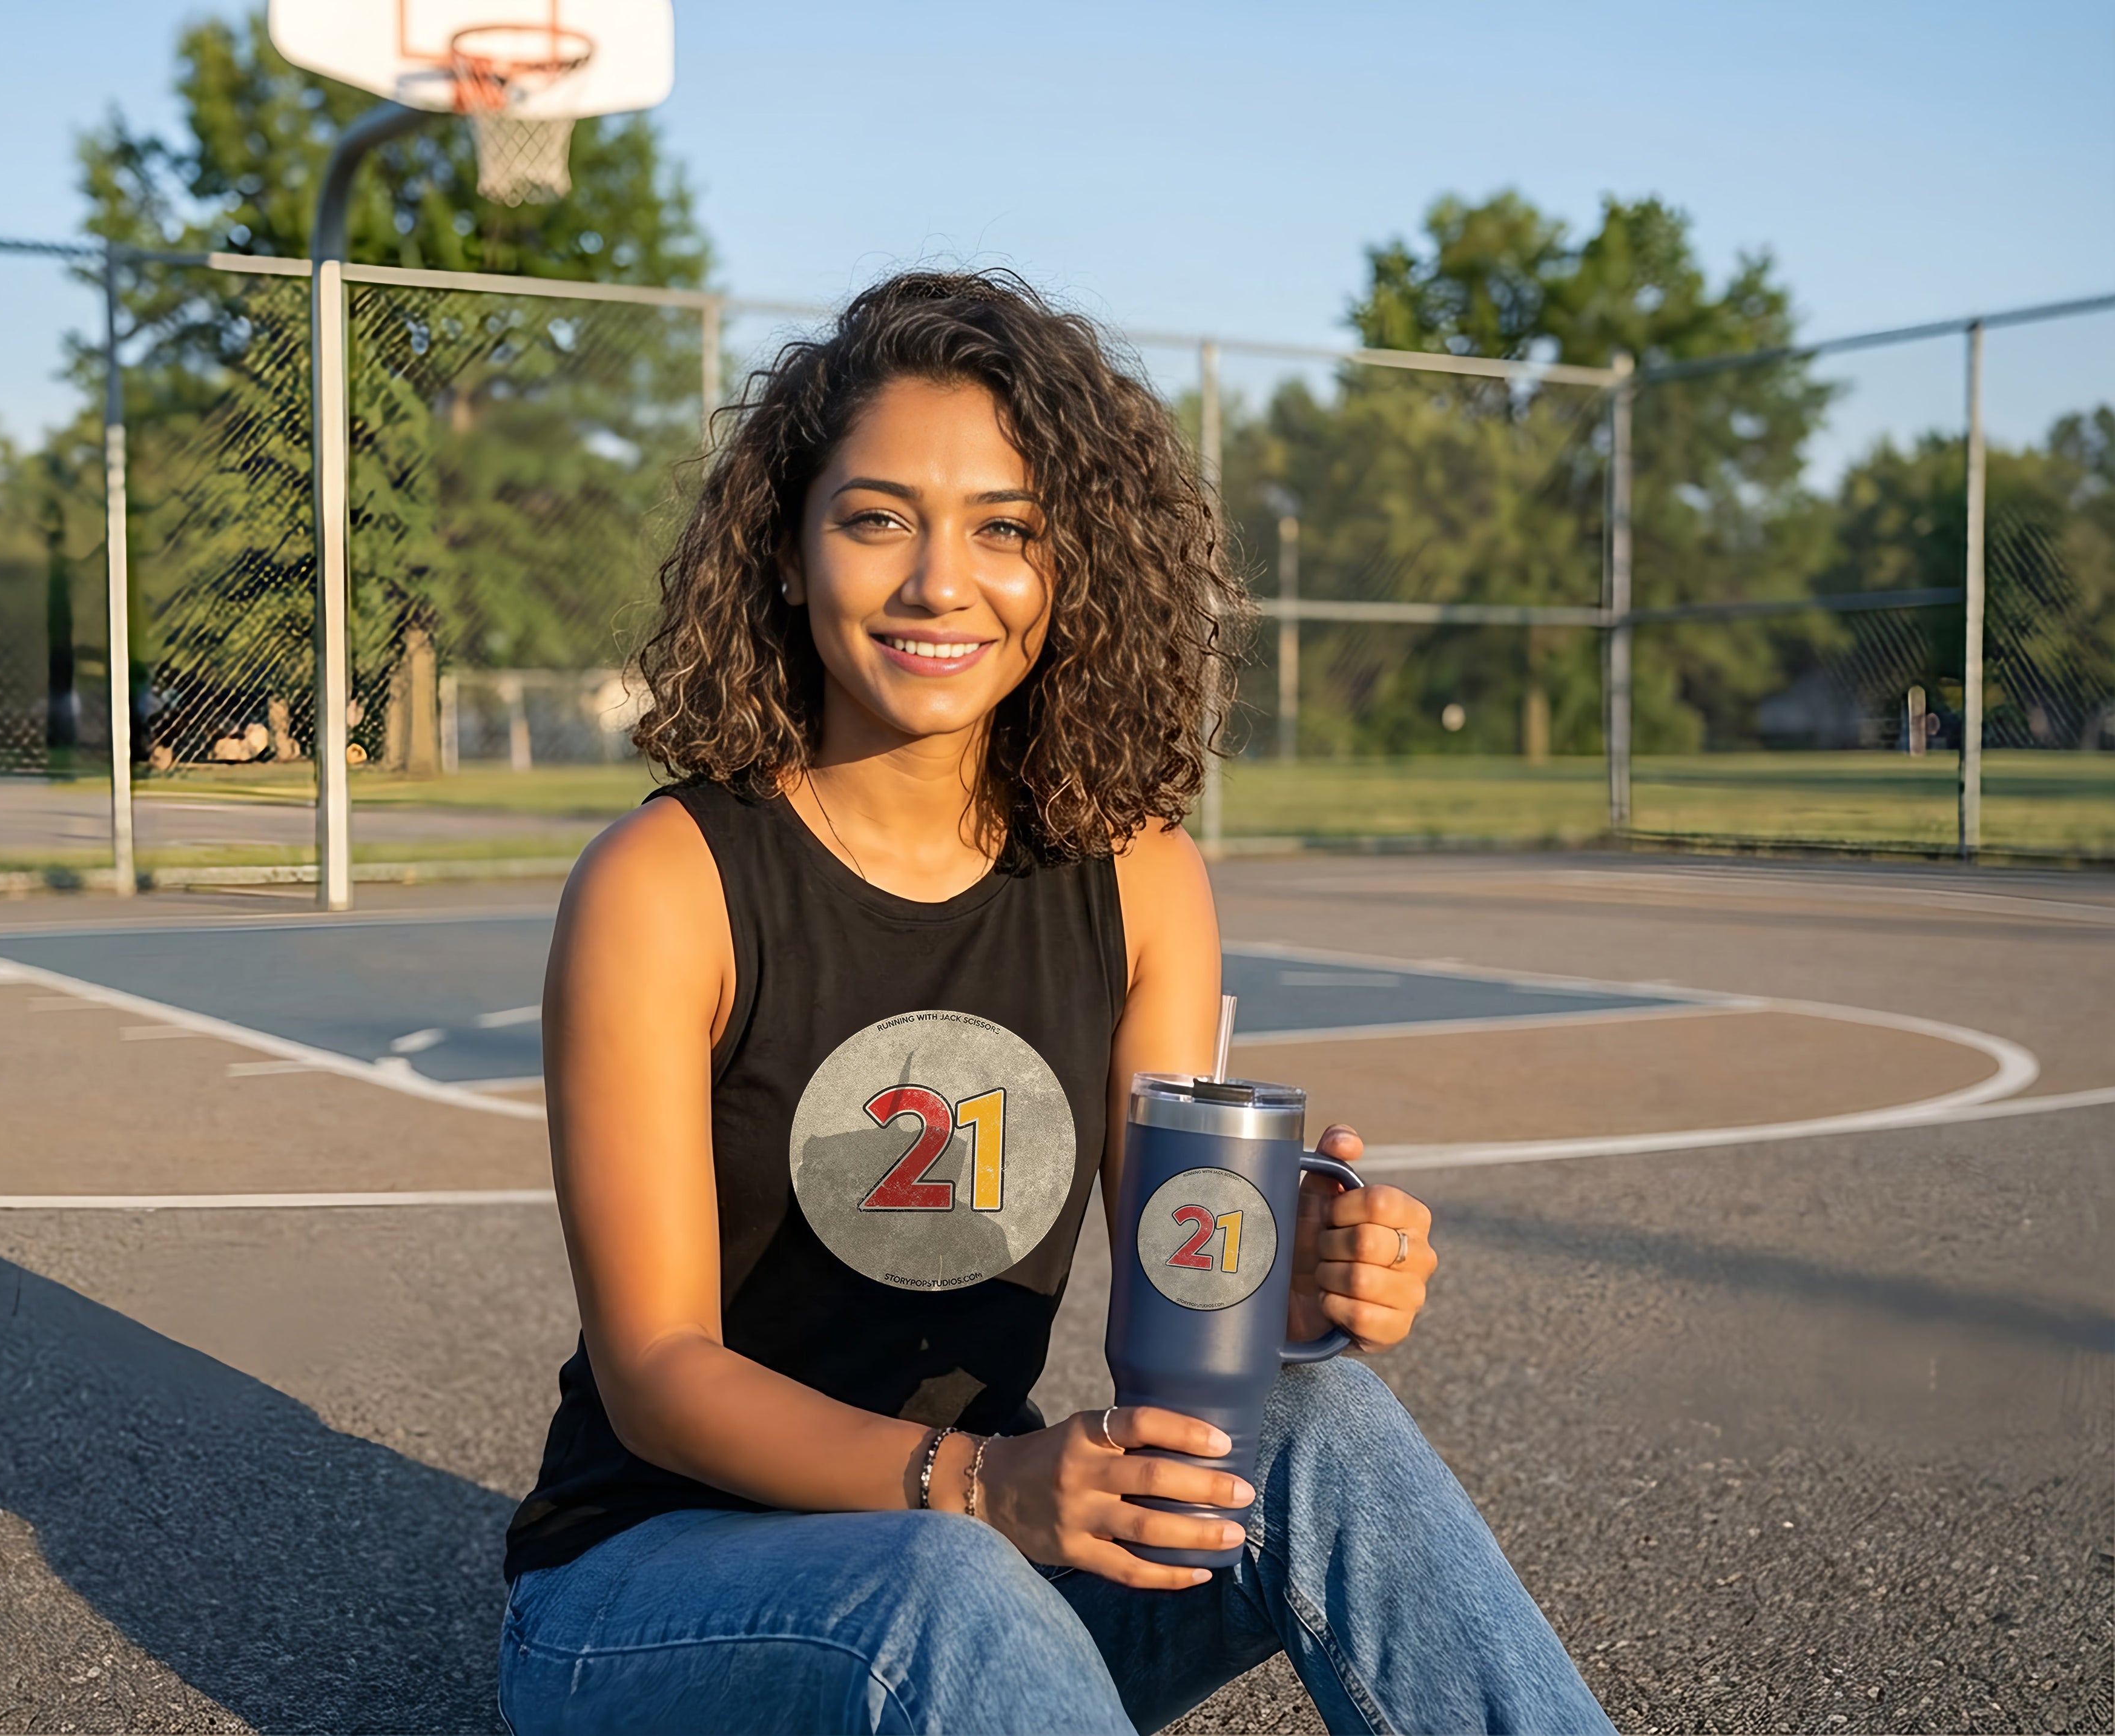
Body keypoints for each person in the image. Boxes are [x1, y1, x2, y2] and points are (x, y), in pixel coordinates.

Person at [498, 270, 1609, 1736]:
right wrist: (980, 1487)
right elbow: (658, 1378)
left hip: (983, 1561)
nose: (940, 584)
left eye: (1005, 530)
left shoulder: (1141, 879)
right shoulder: (669, 881)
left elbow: (1186, 1279)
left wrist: (1299, 1275)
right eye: (877, 516)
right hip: (654, 1592)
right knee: (939, 1586)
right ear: (784, 550)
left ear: (1068, 568)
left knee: (1306, 1426)